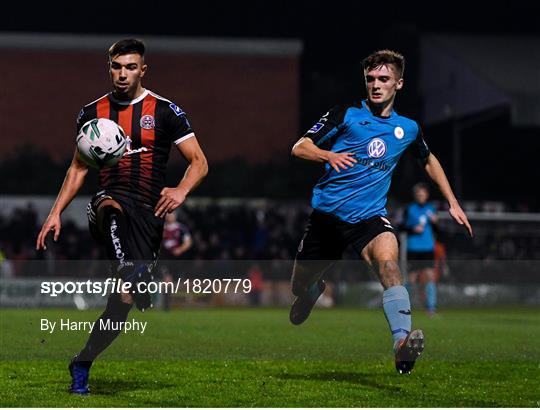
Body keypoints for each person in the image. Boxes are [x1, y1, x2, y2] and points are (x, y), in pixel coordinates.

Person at [35, 39, 208, 394]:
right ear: (109, 67)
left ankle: (82, 361)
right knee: (109, 205)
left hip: (148, 214)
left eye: (131, 67)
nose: (123, 74)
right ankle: (132, 270)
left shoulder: (165, 111)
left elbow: (199, 162)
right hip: (110, 201)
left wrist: (180, 190)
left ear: (143, 69)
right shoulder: (91, 112)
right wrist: (55, 213)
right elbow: (78, 169)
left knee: (121, 306)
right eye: (117, 66)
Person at [289, 49, 472, 374]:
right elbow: (299, 146)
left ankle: (401, 346)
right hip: (327, 218)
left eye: (383, 79)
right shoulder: (345, 113)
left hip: (370, 218)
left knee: (389, 268)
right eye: (370, 79)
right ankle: (313, 289)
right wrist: (327, 156)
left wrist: (453, 201)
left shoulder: (408, 128)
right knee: (298, 285)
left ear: (398, 84)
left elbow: (428, 160)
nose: (376, 85)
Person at [404, 183, 438, 315]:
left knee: (430, 276)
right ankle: (404, 307)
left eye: (423, 194)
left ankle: (431, 308)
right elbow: (401, 226)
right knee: (412, 278)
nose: (420, 196)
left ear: (427, 195)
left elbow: (436, 230)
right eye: (418, 194)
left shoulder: (431, 209)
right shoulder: (409, 209)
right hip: (414, 247)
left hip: (428, 247)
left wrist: (436, 223)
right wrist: (413, 229)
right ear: (415, 195)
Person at [160, 211, 193, 310]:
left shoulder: (181, 228)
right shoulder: (161, 228)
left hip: (178, 260)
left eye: (172, 214)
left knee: (176, 282)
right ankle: (166, 304)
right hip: (165, 259)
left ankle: (180, 302)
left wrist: (180, 250)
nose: (170, 216)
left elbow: (188, 242)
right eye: (168, 214)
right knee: (166, 280)